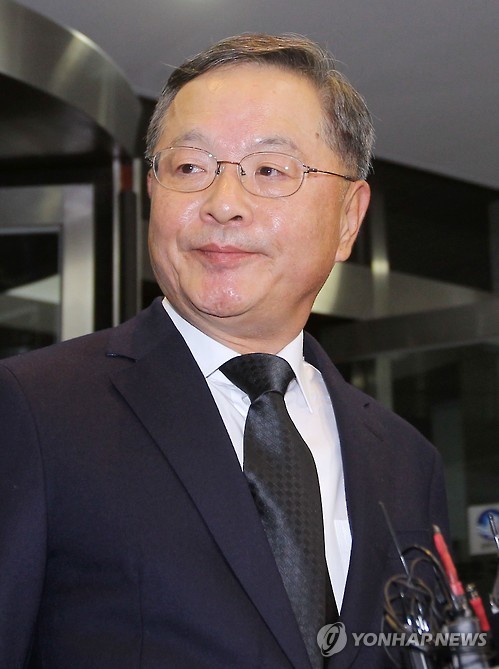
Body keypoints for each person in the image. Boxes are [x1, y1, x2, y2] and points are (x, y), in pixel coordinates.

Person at [0, 34, 451, 668]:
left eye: (269, 171)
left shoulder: (407, 460)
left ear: (349, 218)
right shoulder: (34, 410)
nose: (223, 204)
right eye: (190, 167)